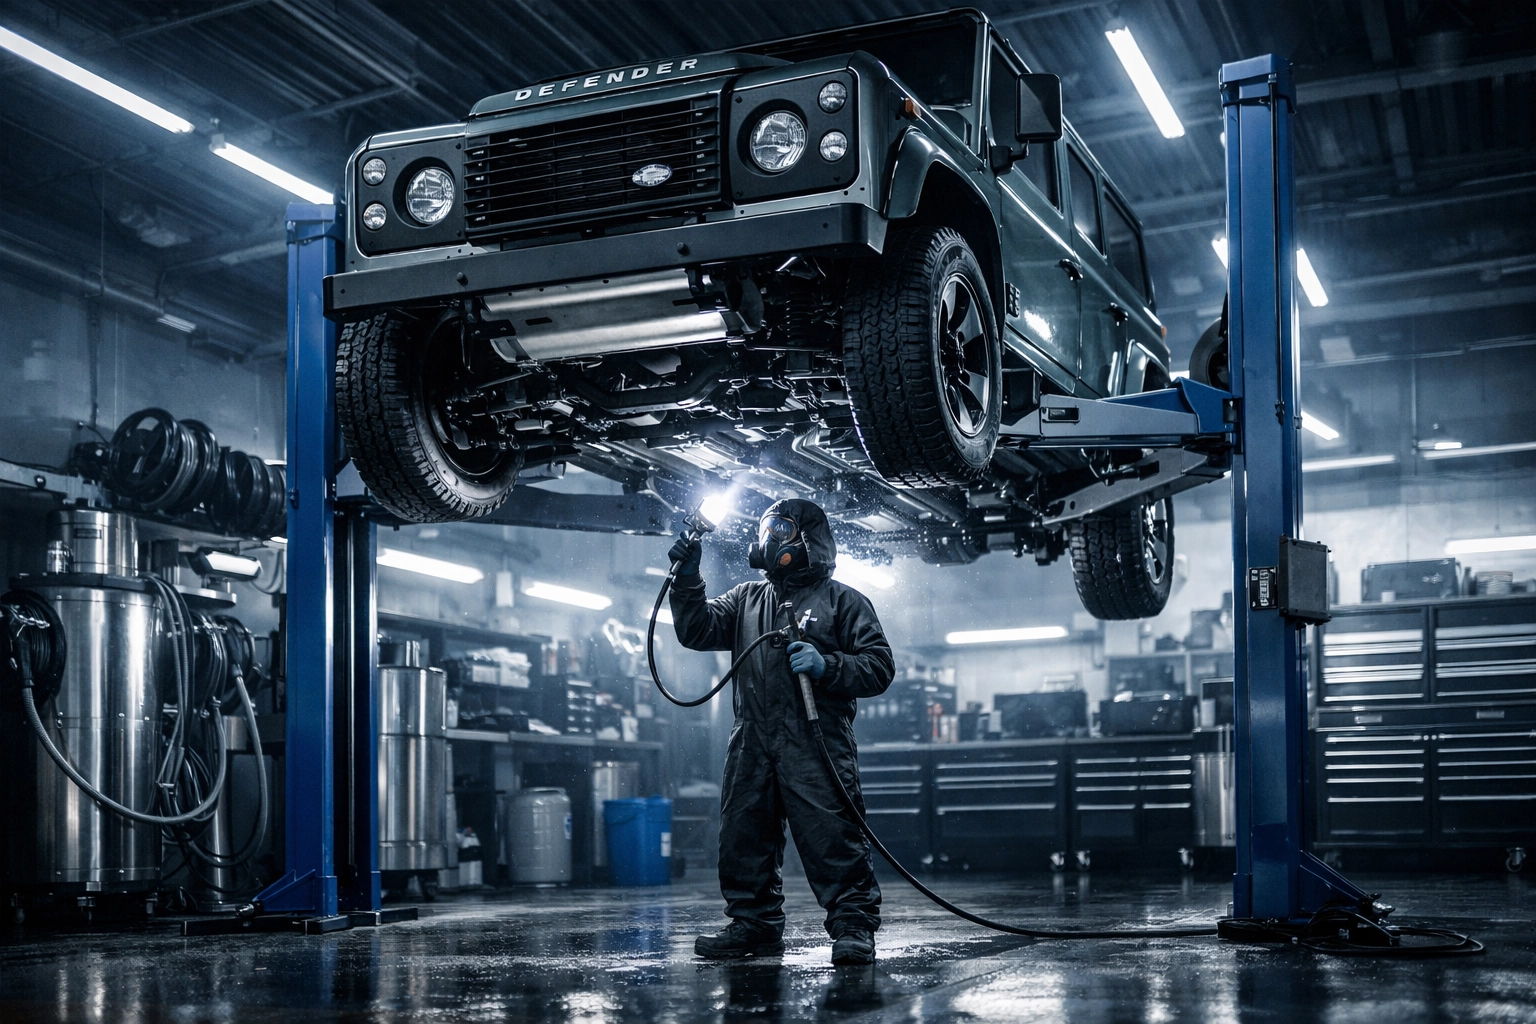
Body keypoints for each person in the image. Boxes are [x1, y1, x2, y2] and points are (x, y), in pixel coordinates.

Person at [668, 498, 894, 965]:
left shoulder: (843, 601)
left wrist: (827, 664)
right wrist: (687, 577)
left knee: (832, 835)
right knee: (743, 835)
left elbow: (879, 666)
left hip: (815, 739)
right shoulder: (746, 599)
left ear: (808, 540)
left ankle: (852, 927)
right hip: (752, 738)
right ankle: (754, 925)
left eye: (781, 531)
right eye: (767, 530)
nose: (769, 540)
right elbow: (696, 629)